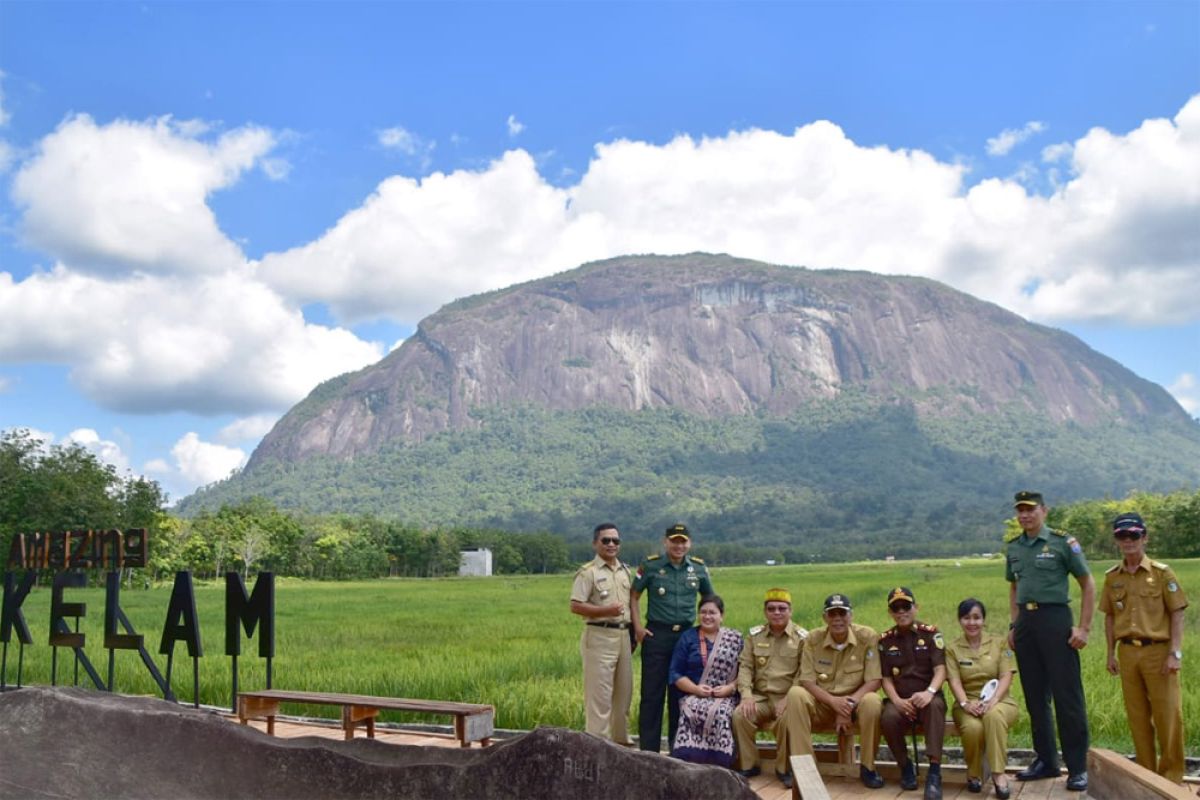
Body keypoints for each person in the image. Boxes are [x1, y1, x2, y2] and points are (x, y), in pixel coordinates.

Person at [1005, 490, 1094, 792]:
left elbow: (1087, 582)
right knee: (1035, 696)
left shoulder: (1061, 542)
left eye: (1030, 509)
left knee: (1067, 695)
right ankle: (1046, 760)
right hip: (1026, 625)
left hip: (1056, 620)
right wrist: (1013, 625)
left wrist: (1083, 628)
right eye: (1020, 510)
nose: (1025, 515)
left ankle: (1077, 767)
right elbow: (1015, 588)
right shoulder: (1014, 547)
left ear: (1044, 510)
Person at [1099, 512, 1188, 784]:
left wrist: (1175, 652)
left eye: (1133, 535)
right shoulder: (1113, 577)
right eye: (1122, 536)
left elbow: (1177, 612)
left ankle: (1171, 779)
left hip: (1158, 653)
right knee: (1137, 718)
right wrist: (1110, 653)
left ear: (1144, 537)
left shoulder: (1162, 573)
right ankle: (1147, 776)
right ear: (1116, 540)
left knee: (1167, 716)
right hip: (1127, 653)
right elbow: (1110, 616)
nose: (1128, 541)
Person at [631, 523, 714, 753]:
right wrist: (638, 627)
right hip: (657, 635)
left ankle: (679, 750)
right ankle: (649, 753)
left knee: (681, 696)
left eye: (683, 541)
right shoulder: (651, 565)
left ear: (689, 543)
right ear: (665, 542)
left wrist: (705, 630)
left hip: (686, 638)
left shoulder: (698, 568)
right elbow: (634, 595)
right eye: (674, 541)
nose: (679, 545)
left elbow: (710, 599)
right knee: (652, 696)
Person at [795, 593, 885, 789]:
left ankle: (868, 767)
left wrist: (847, 705)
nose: (837, 618)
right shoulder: (813, 639)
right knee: (796, 695)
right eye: (832, 614)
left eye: (842, 613)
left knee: (872, 701)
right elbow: (807, 681)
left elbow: (874, 680)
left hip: (856, 703)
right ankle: (805, 769)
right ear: (824, 618)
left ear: (850, 615)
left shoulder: (867, 636)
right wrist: (834, 704)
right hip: (823, 704)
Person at [733, 588, 809, 790]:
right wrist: (746, 696)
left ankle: (784, 769)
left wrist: (789, 699)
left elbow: (804, 673)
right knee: (740, 715)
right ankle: (749, 765)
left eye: (782, 608)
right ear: (765, 612)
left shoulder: (802, 638)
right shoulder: (755, 636)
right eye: (772, 608)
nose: (777, 612)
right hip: (761, 697)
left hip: (787, 697)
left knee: (787, 720)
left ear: (790, 611)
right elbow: (746, 667)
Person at [879, 587, 947, 800]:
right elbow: (886, 678)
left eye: (906, 606)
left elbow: (940, 670)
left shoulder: (931, 634)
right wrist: (897, 701)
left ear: (915, 608)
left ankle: (934, 773)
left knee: (935, 707)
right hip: (901, 698)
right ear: (890, 612)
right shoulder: (885, 640)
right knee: (888, 717)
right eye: (895, 608)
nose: (901, 612)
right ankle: (905, 765)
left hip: (928, 696)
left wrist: (929, 692)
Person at [946, 598, 1018, 799]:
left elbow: (1006, 675)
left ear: (983, 620)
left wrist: (993, 700)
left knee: (993, 716)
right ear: (960, 621)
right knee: (973, 727)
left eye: (977, 618)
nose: (972, 623)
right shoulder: (952, 648)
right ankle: (974, 773)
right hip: (966, 702)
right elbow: (954, 680)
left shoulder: (999, 642)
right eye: (966, 618)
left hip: (1000, 700)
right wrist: (965, 704)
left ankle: (998, 775)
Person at [569, 523, 634, 744]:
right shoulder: (589, 573)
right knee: (600, 696)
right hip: (599, 635)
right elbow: (576, 605)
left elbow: (631, 604)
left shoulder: (625, 571)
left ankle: (621, 744)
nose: (611, 544)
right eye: (606, 540)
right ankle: (598, 747)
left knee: (623, 694)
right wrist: (605, 611)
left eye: (615, 540)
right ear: (595, 543)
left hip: (624, 636)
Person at [668, 594, 743, 767]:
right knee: (692, 707)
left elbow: (745, 672)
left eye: (712, 612)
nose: (707, 616)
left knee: (721, 713)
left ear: (721, 616)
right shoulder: (688, 637)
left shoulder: (734, 639)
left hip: (725, 696)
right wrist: (695, 690)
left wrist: (730, 688)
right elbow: (675, 673)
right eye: (703, 612)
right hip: (694, 693)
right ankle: (689, 761)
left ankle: (721, 764)